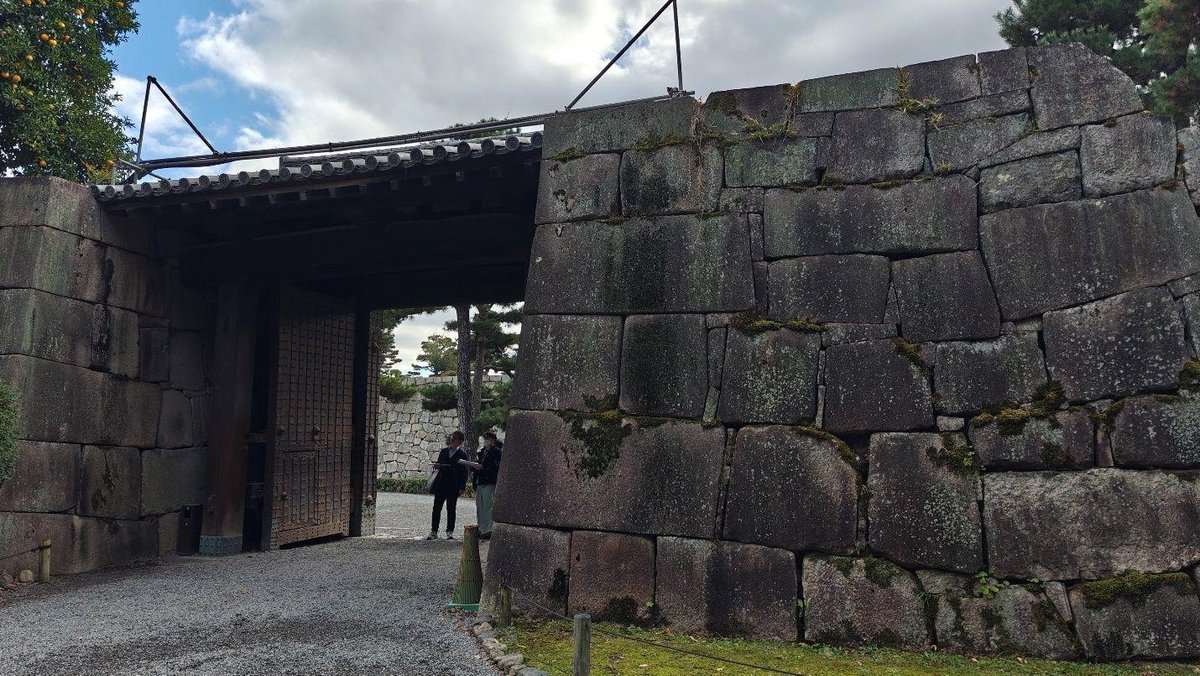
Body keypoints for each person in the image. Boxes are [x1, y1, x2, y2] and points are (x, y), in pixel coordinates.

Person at [428, 431, 469, 540]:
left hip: (453, 484)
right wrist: (437, 465)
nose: (456, 441)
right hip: (441, 483)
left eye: (458, 440)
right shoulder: (444, 451)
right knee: (436, 508)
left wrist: (462, 487)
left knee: (451, 508)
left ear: (461, 441)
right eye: (455, 439)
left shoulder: (462, 454)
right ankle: (434, 530)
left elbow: (464, 473)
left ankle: (450, 531)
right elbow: (439, 463)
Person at [467, 431, 502, 540]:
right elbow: (478, 464)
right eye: (485, 438)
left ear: (493, 440)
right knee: (480, 506)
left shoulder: (496, 451)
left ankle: (488, 529)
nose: (486, 441)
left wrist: (484, 467)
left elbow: (497, 467)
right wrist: (473, 466)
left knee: (488, 505)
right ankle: (481, 528)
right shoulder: (482, 451)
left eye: (488, 439)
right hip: (480, 481)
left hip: (490, 481)